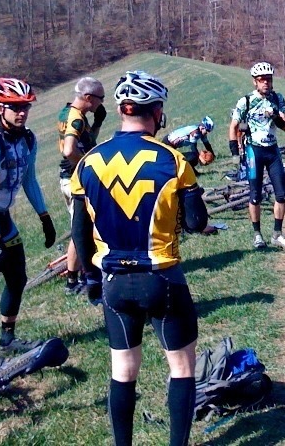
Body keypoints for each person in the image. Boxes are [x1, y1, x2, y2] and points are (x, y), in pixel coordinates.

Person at [70, 70, 208, 446]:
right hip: (162, 276)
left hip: (113, 280)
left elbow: (80, 232)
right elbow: (197, 224)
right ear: (157, 111)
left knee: (123, 372)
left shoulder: (89, 162)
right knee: (181, 368)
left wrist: (91, 278)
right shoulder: (174, 160)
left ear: (120, 110)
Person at [0, 78, 56, 367]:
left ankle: (8, 337)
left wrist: (44, 216)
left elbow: (29, 179)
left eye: (25, 107)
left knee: (17, 278)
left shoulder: (27, 139)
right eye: (15, 107)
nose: (22, 113)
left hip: (0, 213)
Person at [228, 62, 285, 251]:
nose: (266, 82)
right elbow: (233, 126)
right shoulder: (246, 101)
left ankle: (277, 234)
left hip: (272, 150)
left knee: (281, 194)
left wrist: (275, 115)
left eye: (269, 79)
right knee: (255, 195)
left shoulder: (277, 98)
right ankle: (257, 235)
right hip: (253, 151)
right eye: (262, 80)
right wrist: (234, 152)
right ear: (255, 82)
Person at [57, 76, 107, 295]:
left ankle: (76, 276)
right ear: (88, 97)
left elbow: (86, 141)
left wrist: (97, 123)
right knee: (82, 229)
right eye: (100, 98)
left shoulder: (67, 112)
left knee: (80, 227)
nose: (101, 103)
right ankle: (83, 277)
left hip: (69, 178)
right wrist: (86, 166)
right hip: (74, 179)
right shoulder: (76, 118)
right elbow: (69, 150)